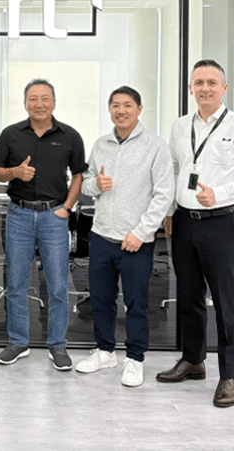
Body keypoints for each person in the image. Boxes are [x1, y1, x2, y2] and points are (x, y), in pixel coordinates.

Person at [156, 59, 234, 407]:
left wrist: (219, 193)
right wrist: (171, 210)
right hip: (185, 222)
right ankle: (193, 360)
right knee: (189, 296)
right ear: (191, 88)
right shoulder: (180, 126)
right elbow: (175, 168)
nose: (205, 88)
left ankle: (229, 376)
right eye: (199, 82)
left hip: (221, 221)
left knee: (225, 301)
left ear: (224, 88)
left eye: (211, 82)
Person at [76, 86, 174, 387]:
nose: (121, 111)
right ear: (109, 110)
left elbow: (164, 195)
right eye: (115, 105)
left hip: (135, 241)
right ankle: (105, 351)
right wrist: (97, 185)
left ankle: (135, 359)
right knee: (101, 300)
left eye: (127, 105)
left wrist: (141, 233)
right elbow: (84, 185)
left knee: (136, 303)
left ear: (139, 109)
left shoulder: (155, 146)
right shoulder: (101, 144)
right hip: (101, 236)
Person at [0, 79, 87, 371]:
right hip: (18, 215)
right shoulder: (11, 134)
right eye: (33, 99)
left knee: (57, 285)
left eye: (45, 98)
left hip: (53, 216)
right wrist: (15, 172)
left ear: (54, 102)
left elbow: (79, 175)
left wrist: (66, 208)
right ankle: (18, 342)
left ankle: (57, 345)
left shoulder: (70, 136)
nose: (39, 104)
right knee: (16, 283)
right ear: (25, 103)